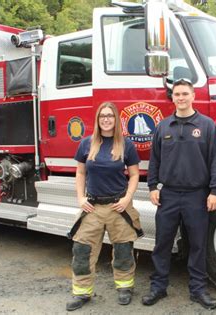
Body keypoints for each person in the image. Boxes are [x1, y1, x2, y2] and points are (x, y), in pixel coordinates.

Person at [142, 78, 216, 310]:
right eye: (177, 94)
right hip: (167, 195)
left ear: (193, 96)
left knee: (197, 245)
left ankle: (198, 290)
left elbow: (215, 160)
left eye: (184, 94)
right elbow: (154, 160)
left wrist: (215, 191)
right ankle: (158, 287)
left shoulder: (207, 126)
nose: (180, 98)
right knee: (162, 244)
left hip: (196, 196)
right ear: (173, 98)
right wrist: (152, 187)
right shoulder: (163, 127)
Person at [66, 102, 142, 311]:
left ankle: (125, 288)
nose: (106, 119)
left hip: (119, 206)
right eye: (102, 116)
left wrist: (127, 199)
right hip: (92, 206)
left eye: (110, 116)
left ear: (116, 119)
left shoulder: (126, 145)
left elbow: (135, 174)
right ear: (98, 120)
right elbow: (81, 173)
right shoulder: (86, 144)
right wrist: (81, 199)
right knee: (81, 250)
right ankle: (82, 293)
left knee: (123, 250)